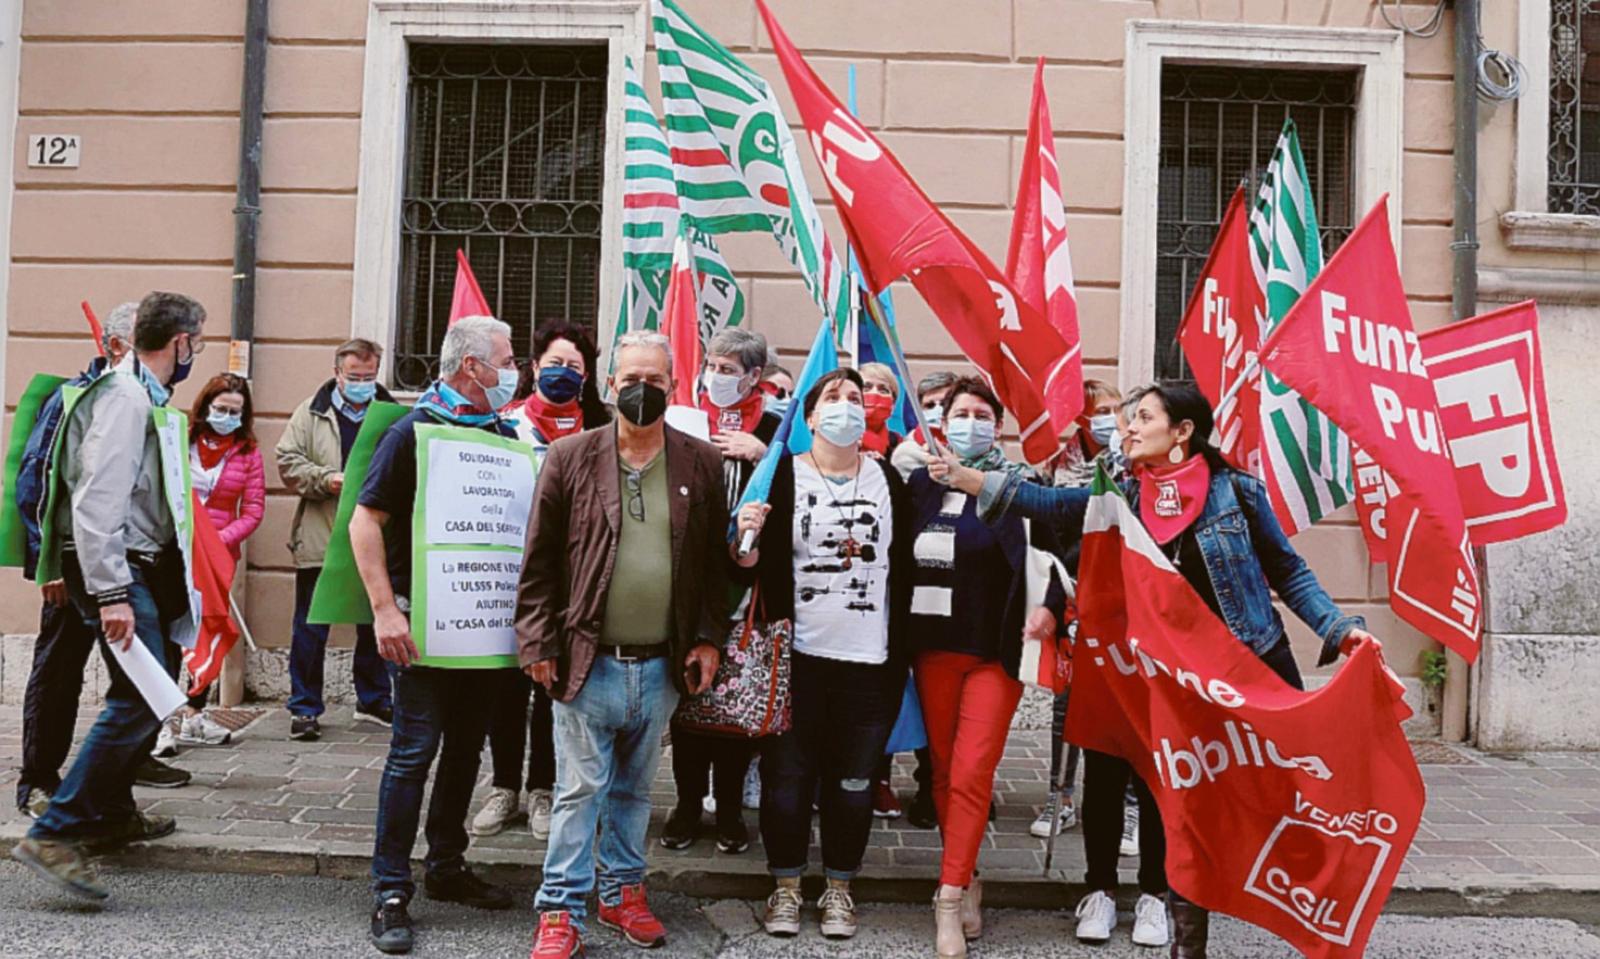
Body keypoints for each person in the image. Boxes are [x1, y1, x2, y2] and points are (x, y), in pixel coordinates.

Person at [933, 381, 1377, 957]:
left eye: (1143, 418)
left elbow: (1287, 572)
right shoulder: (1121, 495)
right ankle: (1177, 932)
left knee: (1198, 804)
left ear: (1183, 431)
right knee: (1161, 793)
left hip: (1220, 677)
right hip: (1138, 673)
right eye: (1128, 419)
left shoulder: (1236, 493)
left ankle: (1214, 898)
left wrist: (1338, 630)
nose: (1129, 428)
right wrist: (969, 478)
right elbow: (1049, 505)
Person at [518, 331, 725, 958]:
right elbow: (539, 563)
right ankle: (560, 907)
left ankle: (621, 892)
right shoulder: (570, 457)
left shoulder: (700, 462)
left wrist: (709, 640)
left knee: (636, 792)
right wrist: (537, 642)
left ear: (673, 387)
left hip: (661, 664)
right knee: (579, 792)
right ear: (608, 386)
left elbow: (714, 567)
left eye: (656, 381)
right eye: (631, 378)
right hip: (587, 660)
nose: (643, 390)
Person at [10, 292, 209, 900]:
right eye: (194, 343)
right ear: (178, 342)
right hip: (120, 570)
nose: (194, 354)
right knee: (142, 699)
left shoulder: (140, 396)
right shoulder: (125, 398)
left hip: (135, 567)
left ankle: (100, 817)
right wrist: (113, 591)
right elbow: (98, 499)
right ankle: (56, 831)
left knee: (143, 694)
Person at [352, 317, 521, 954]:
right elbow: (365, 523)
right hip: (420, 629)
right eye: (506, 359)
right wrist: (384, 611)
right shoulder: (411, 431)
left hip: (481, 632)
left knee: (465, 750)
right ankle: (390, 889)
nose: (516, 370)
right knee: (413, 752)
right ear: (472, 366)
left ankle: (446, 866)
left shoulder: (503, 435)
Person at [732, 368, 912, 942]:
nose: (845, 407)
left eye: (855, 399)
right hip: (797, 657)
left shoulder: (889, 480)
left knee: (853, 782)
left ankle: (840, 887)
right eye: (832, 398)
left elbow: (905, 567)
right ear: (809, 418)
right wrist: (745, 536)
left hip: (870, 663)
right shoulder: (781, 475)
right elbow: (742, 564)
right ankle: (785, 887)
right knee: (787, 778)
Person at [907, 376, 1068, 958]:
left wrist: (1050, 613)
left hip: (994, 652)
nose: (970, 422)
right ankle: (967, 872)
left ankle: (947, 899)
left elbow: (1058, 562)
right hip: (932, 649)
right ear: (942, 422)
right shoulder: (917, 483)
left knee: (974, 772)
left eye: (981, 414)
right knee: (945, 774)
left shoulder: (1021, 487)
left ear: (995, 427)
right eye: (960, 413)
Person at [11, 302, 171, 818]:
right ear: (118, 344)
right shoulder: (77, 397)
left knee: (134, 682)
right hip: (78, 561)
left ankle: (117, 788)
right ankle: (38, 780)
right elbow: (39, 479)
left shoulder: (147, 397)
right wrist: (48, 565)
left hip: (131, 561)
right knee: (60, 670)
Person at [472, 323, 609, 841]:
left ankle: (543, 788)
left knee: (556, 687)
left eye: (573, 367)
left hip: (575, 582)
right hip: (508, 578)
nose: (561, 374)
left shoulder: (600, 430)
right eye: (553, 364)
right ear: (532, 368)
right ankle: (504, 784)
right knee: (507, 687)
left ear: (587, 376)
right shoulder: (501, 425)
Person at [662, 328, 779, 855]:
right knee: (690, 699)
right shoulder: (685, 420)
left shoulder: (778, 430)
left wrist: (761, 455)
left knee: (734, 703)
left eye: (730, 368)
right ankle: (688, 804)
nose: (717, 376)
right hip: (688, 578)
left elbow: (801, 489)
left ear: (755, 377)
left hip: (748, 585)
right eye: (712, 364)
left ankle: (729, 808)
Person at [277, 339, 397, 742]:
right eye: (354, 377)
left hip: (375, 535)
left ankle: (374, 698)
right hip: (321, 533)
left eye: (369, 376)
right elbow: (288, 462)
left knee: (373, 619)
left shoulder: (392, 415)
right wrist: (328, 480)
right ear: (337, 374)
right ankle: (305, 707)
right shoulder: (311, 413)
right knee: (311, 627)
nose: (362, 383)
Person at [152, 374, 266, 755]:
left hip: (217, 558)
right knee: (170, 635)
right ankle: (162, 721)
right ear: (205, 407)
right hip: (172, 551)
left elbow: (252, 511)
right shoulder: (179, 440)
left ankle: (194, 713)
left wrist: (217, 542)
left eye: (236, 411)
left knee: (209, 628)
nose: (227, 416)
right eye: (221, 409)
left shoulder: (248, 452)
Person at [1032, 378, 1124, 841]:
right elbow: (1048, 539)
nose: (1110, 418)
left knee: (1122, 708)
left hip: (1123, 603)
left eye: (1116, 408)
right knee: (1067, 705)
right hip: (1070, 593)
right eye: (1100, 410)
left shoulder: (1130, 465)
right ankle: (1060, 794)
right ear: (1081, 418)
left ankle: (1125, 807)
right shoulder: (1055, 468)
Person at [890, 370, 956, 480]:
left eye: (945, 403)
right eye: (930, 405)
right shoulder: (906, 453)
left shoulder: (972, 445)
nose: (938, 410)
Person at [857, 362, 903, 458]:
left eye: (883, 390)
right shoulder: (839, 438)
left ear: (893, 404)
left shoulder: (898, 443)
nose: (875, 393)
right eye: (866, 388)